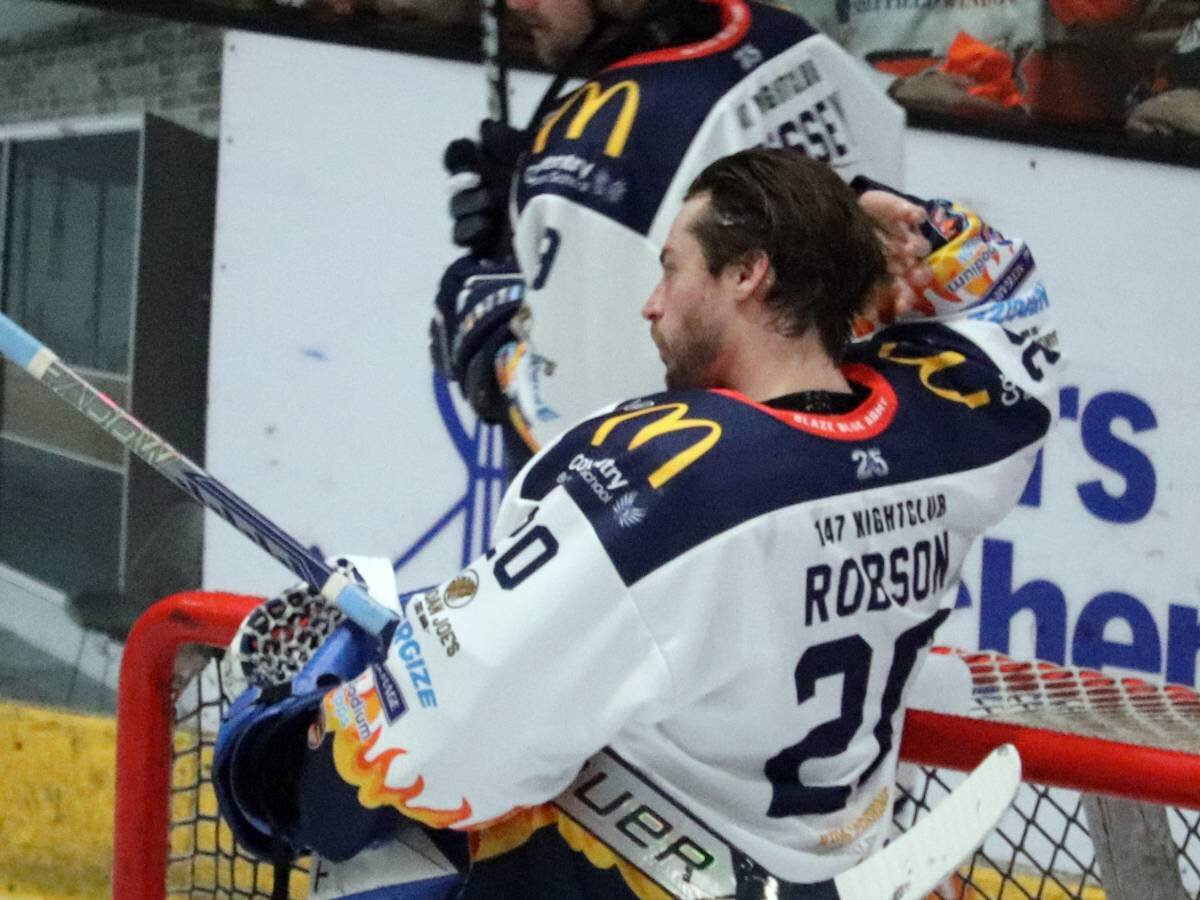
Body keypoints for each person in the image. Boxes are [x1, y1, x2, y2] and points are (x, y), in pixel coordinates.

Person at [214, 147, 1059, 899]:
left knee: (384, 864)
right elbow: (1010, 303)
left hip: (629, 877)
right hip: (832, 872)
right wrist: (878, 219)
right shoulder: (953, 428)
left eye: (672, 269)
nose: (651, 306)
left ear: (747, 274)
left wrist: (280, 765)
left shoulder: (668, 475)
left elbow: (449, 729)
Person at [431, 0, 906, 475]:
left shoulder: (600, 140)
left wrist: (496, 336)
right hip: (851, 462)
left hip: (710, 497)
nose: (518, 3)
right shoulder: (794, 43)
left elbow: (579, 447)